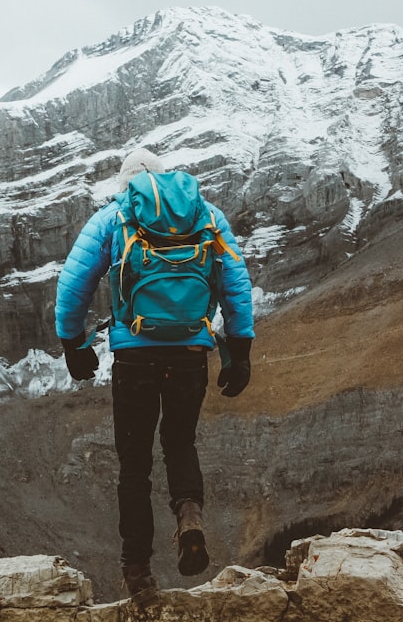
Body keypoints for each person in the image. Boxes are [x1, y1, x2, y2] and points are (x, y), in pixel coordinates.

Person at [54, 148, 254, 599]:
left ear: (126, 184)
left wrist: (74, 343)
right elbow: (236, 281)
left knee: (134, 466)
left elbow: (73, 282)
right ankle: (189, 516)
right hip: (189, 353)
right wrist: (239, 351)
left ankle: (139, 572)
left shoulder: (114, 216)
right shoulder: (207, 214)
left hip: (135, 358)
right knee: (180, 443)